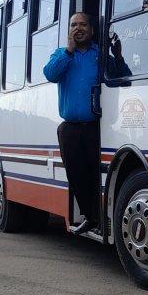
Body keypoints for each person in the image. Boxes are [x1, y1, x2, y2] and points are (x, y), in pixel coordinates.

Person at [43, 13, 100, 235]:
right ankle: (89, 216)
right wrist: (69, 50)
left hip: (96, 126)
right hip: (70, 128)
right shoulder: (62, 54)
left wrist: (119, 57)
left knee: (96, 174)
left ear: (91, 30)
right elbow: (50, 74)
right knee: (76, 175)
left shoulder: (100, 55)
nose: (78, 28)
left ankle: (99, 214)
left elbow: (121, 74)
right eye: (74, 25)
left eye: (83, 24)